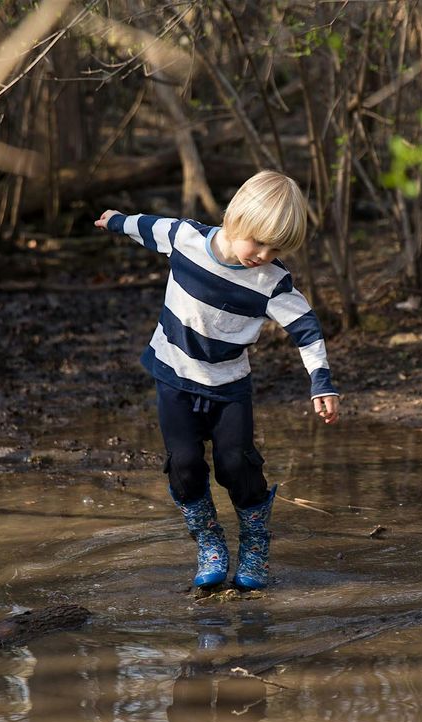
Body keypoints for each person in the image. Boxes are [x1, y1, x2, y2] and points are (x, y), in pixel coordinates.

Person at [95, 170, 339, 590]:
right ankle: (209, 541)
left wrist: (322, 382)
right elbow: (145, 225)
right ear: (235, 218)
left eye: (276, 247)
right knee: (185, 464)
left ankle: (255, 542)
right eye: (258, 241)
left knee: (235, 465)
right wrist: (115, 219)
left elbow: (307, 329)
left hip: (228, 388)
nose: (263, 253)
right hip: (174, 376)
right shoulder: (184, 239)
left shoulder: (271, 283)